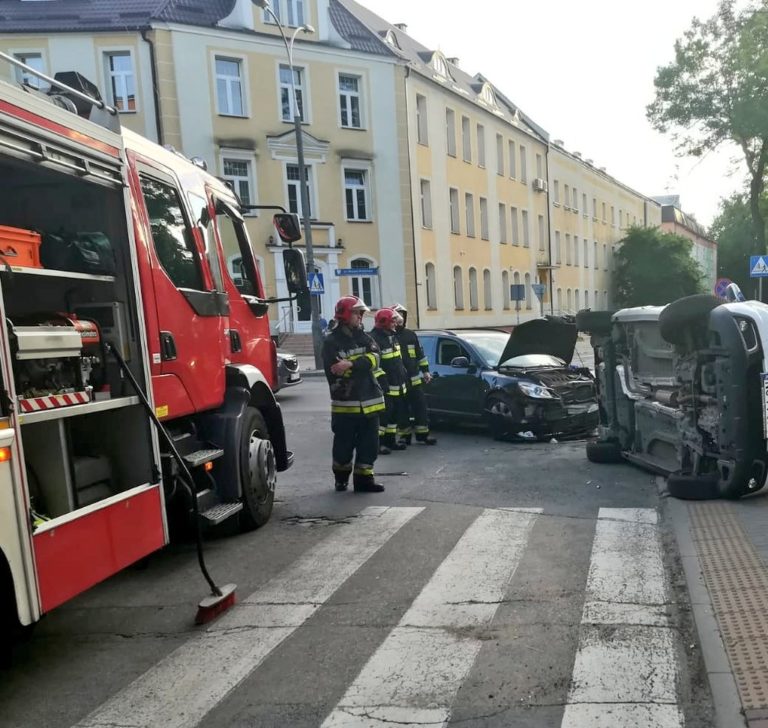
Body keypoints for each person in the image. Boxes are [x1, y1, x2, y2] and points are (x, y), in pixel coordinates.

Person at [322, 296, 386, 493]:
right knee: (343, 447)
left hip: (370, 401)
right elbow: (337, 370)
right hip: (345, 404)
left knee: (369, 446)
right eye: (357, 313)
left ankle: (364, 481)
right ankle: (341, 479)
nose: (361, 317)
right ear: (346, 314)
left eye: (361, 313)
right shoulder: (331, 342)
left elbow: (376, 359)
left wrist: (351, 363)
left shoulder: (365, 337)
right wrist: (360, 363)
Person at [392, 303, 437, 446]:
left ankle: (423, 435)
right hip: (399, 380)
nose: (401, 319)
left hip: (414, 379)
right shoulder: (390, 336)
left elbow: (420, 355)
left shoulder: (410, 335)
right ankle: (405, 436)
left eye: (403, 316)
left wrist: (426, 371)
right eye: (398, 316)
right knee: (402, 409)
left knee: (420, 407)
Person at [369, 308, 409, 455]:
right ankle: (379, 444)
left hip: (398, 385)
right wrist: (383, 383)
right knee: (384, 417)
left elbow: (397, 361)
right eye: (392, 320)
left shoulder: (392, 336)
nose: (395, 323)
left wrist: (404, 375)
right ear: (384, 322)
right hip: (386, 386)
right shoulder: (375, 339)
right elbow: (375, 366)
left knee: (394, 416)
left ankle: (390, 441)